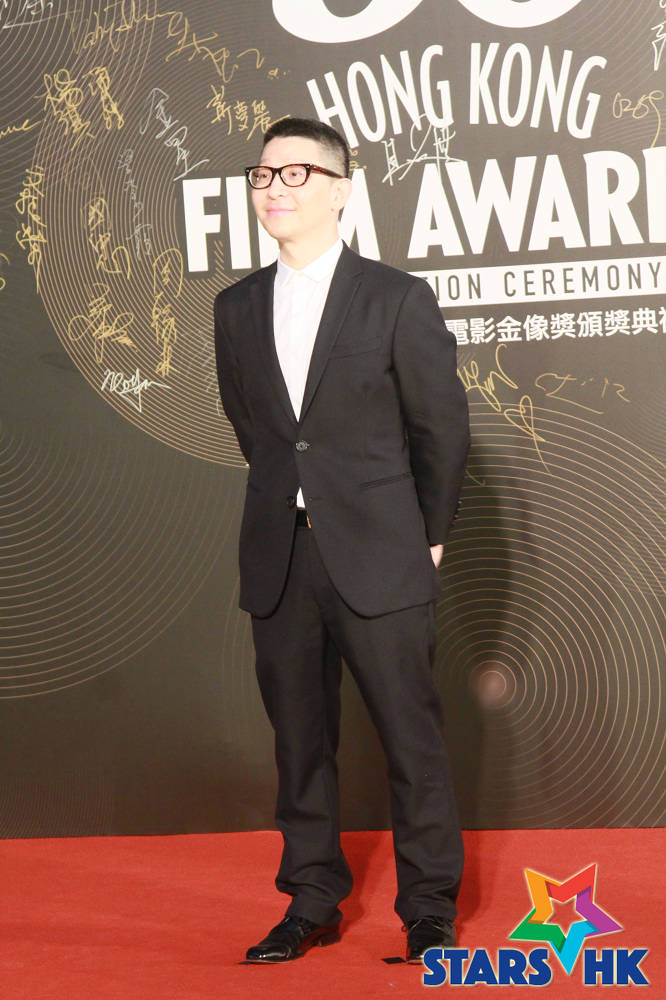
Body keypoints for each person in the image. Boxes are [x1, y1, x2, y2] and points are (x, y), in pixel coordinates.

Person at [214, 117, 470, 964]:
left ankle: (428, 907)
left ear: (341, 191)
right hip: (279, 556)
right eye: (263, 175)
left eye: (296, 173)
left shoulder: (395, 297)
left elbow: (441, 429)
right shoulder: (235, 307)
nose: (274, 188)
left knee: (410, 741)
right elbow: (258, 432)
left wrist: (428, 537)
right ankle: (311, 900)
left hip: (383, 554)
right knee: (299, 744)